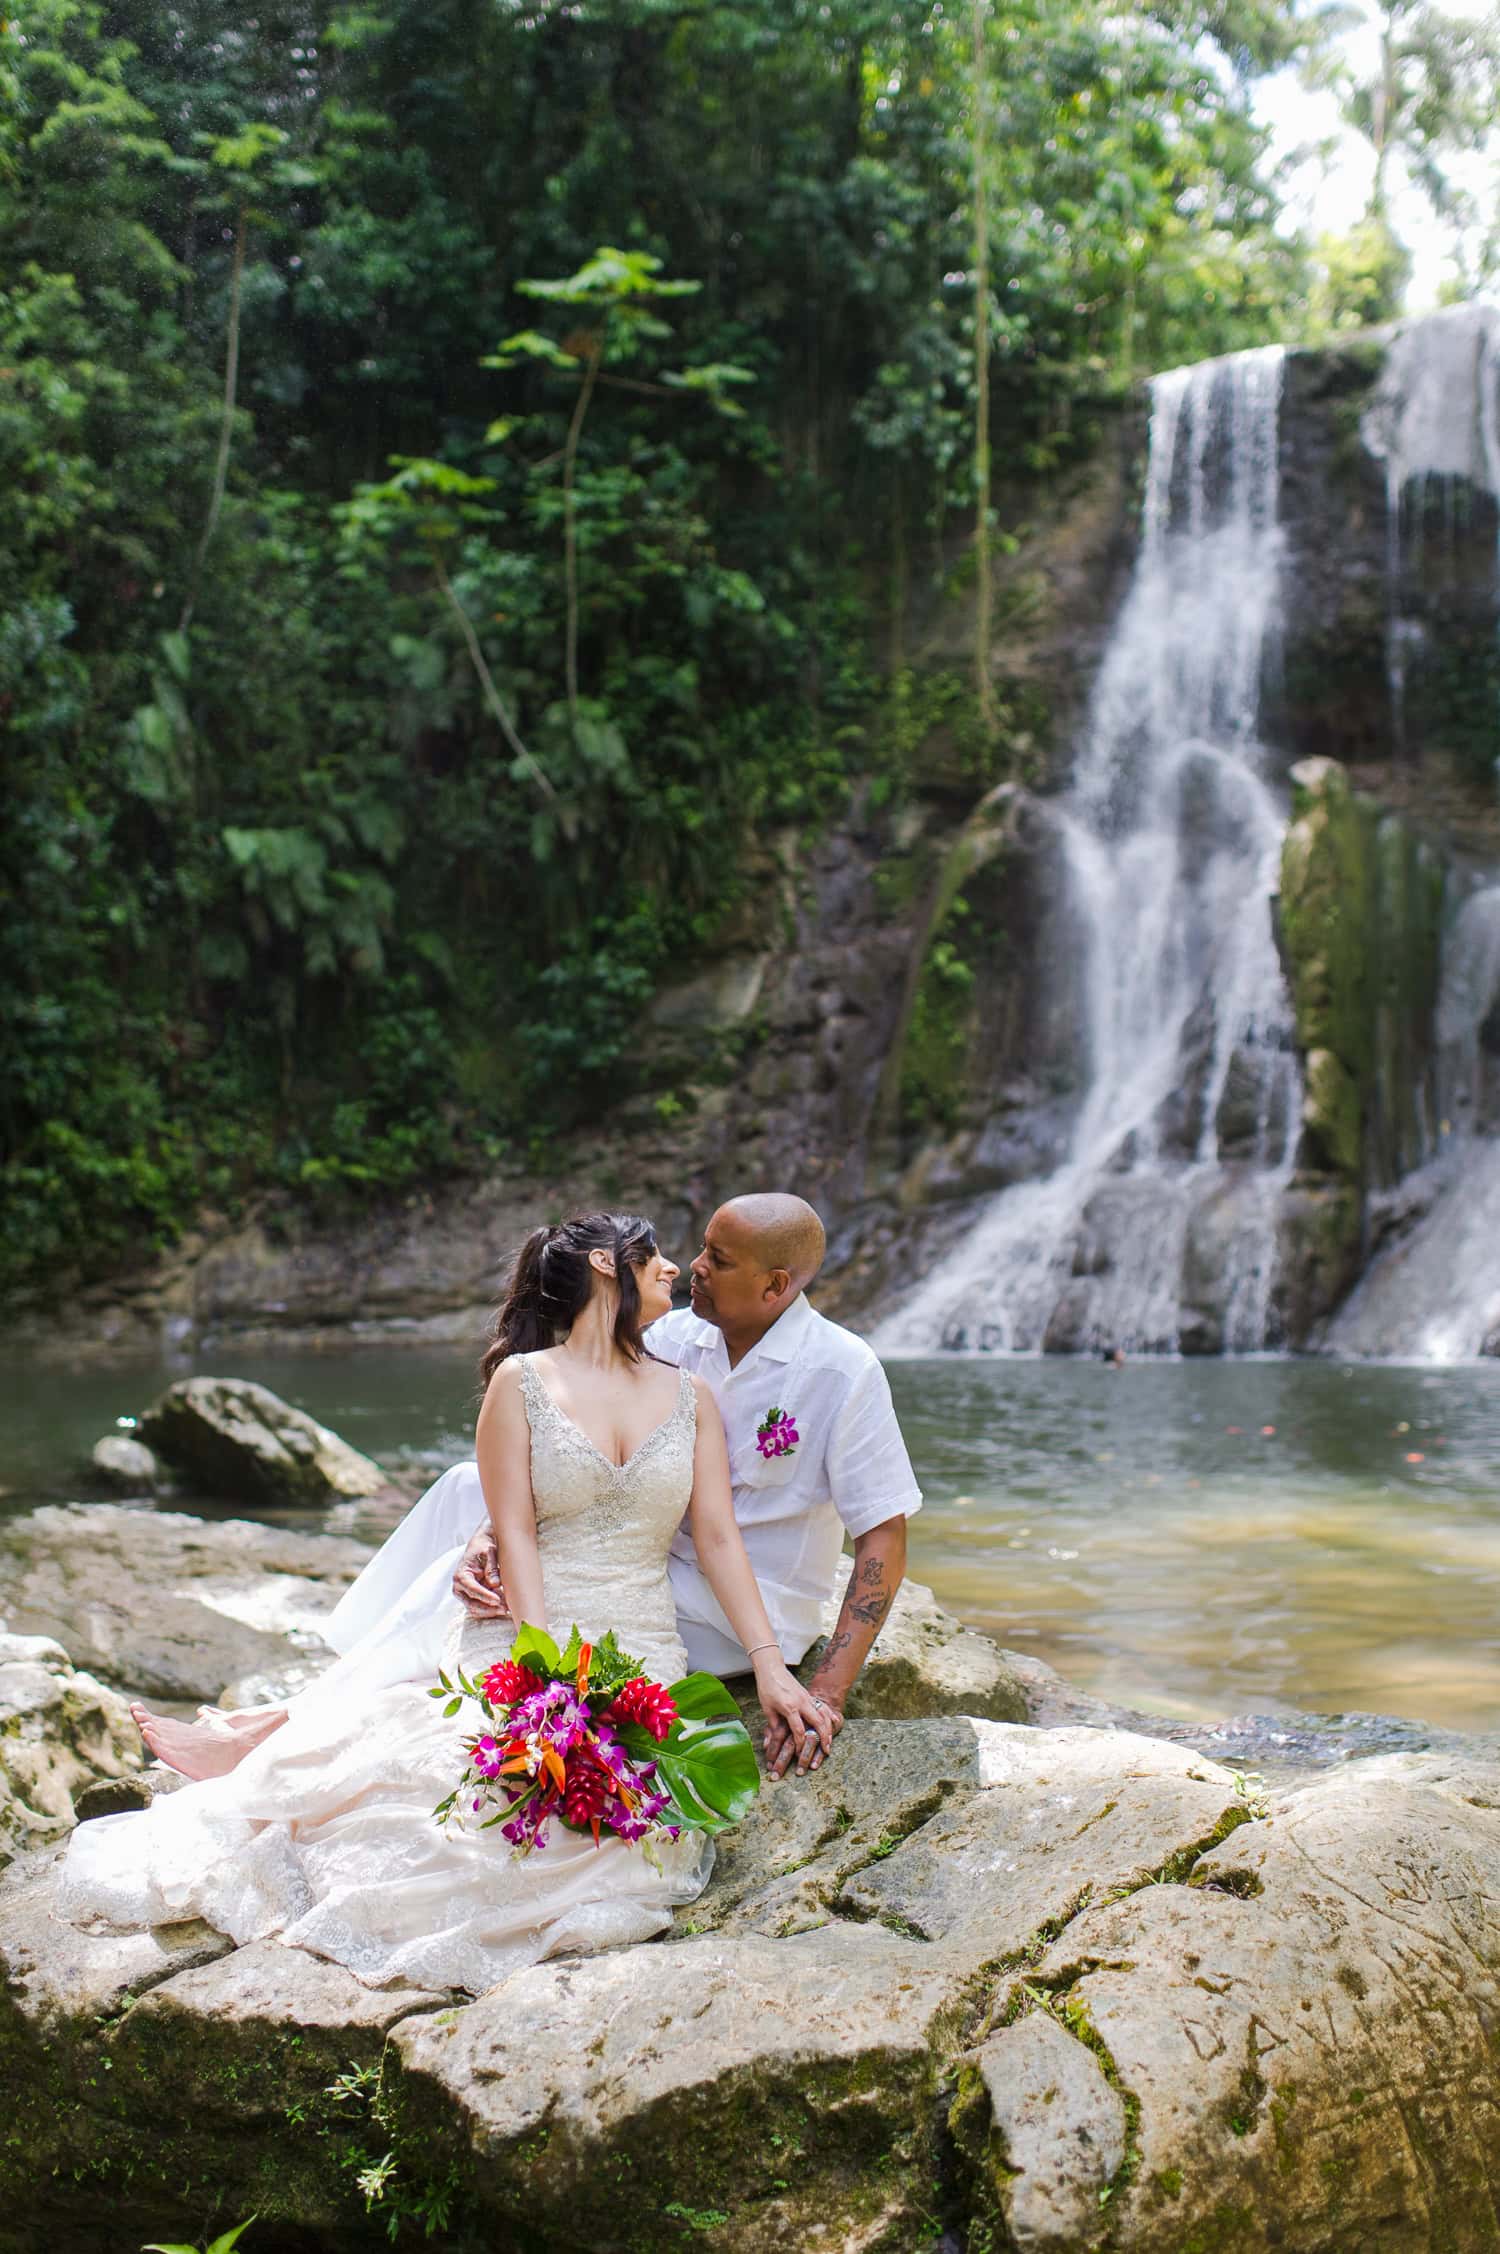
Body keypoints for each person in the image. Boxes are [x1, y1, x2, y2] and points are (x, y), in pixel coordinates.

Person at [60, 1214, 831, 1995]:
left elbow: (719, 1540)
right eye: (655, 1255)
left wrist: (771, 1670)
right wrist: (544, 1670)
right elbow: (517, 1534)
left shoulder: (691, 1393)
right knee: (455, 1800)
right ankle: (275, 1751)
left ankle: (269, 1731)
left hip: (641, 1644)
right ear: (606, 1264)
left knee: (610, 1825)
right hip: (529, 1628)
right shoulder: (522, 1382)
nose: (673, 1268)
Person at [134, 1192, 923, 1784]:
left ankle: (274, 1729)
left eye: (720, 1259)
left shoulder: (842, 1373)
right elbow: (581, 1427)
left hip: (735, 1601)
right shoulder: (682, 1336)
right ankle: (326, 1686)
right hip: (645, 1546)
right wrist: (491, 1530)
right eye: (702, 1250)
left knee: (481, 1591)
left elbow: (883, 1535)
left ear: (778, 1285)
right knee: (461, 1494)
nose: (696, 1268)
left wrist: (825, 1690)